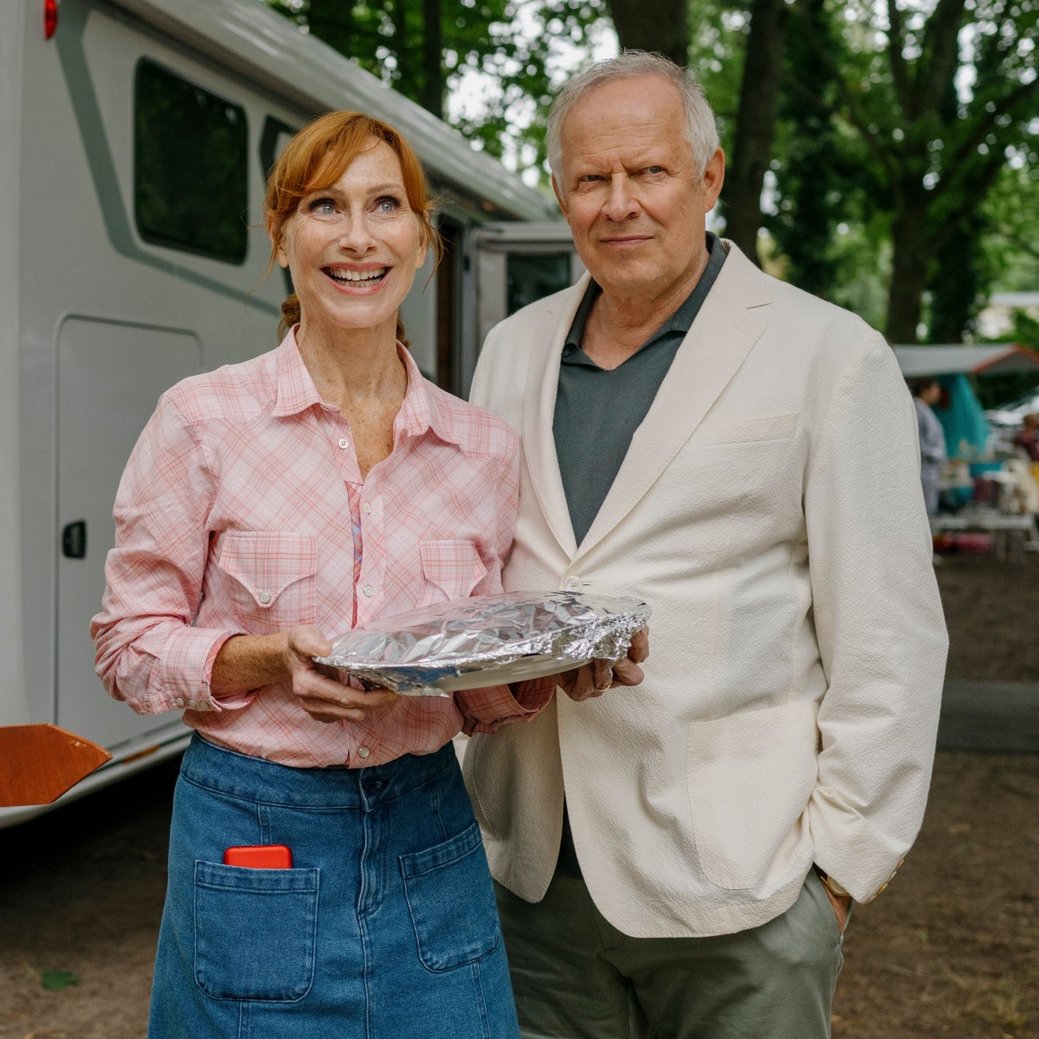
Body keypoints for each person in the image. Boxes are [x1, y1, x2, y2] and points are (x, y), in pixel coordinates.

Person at [91, 110, 637, 1039]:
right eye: (323, 206)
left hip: (430, 832)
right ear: (282, 236)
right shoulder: (201, 421)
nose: (356, 236)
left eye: (385, 205)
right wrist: (264, 660)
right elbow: (127, 646)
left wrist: (540, 676)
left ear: (421, 240)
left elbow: (467, 681)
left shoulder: (480, 449)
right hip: (255, 832)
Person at [462, 51, 948, 1039]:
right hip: (533, 881)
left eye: (648, 172)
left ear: (709, 177)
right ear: (560, 192)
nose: (619, 204)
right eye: (590, 179)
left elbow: (888, 635)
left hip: (743, 887)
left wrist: (835, 879)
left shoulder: (827, 351)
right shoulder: (512, 349)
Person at [911, 377, 948, 516]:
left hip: (931, 469)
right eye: (935, 389)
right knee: (924, 511)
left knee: (930, 508)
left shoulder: (926, 410)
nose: (938, 393)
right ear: (925, 391)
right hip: (925, 469)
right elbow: (918, 442)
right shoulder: (918, 410)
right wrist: (936, 454)